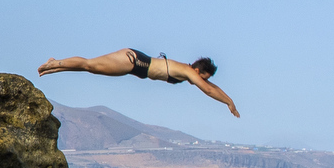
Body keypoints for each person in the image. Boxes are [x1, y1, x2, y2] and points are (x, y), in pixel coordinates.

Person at [37, 49, 239, 117]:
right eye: (204, 77)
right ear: (198, 71)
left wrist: (229, 100)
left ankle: (54, 66)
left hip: (135, 62)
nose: (203, 81)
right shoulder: (188, 71)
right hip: (134, 62)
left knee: (89, 67)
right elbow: (208, 90)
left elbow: (212, 88)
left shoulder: (187, 72)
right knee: (90, 65)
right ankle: (55, 63)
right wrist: (228, 103)